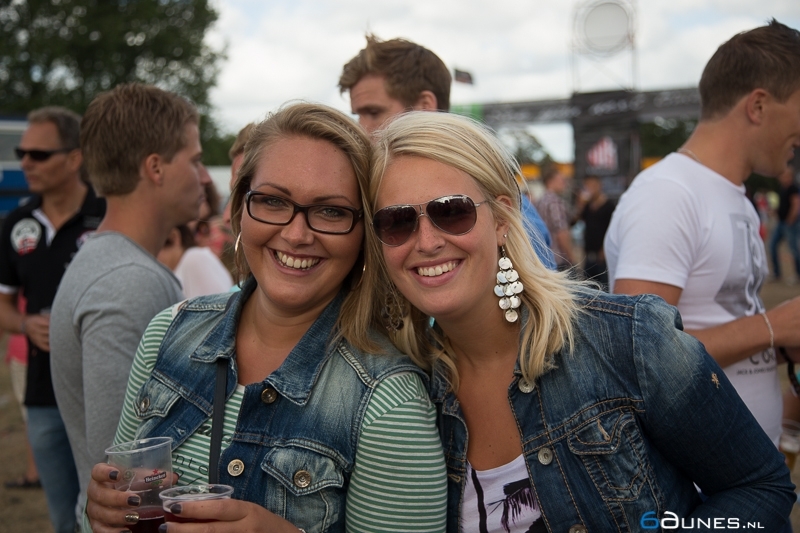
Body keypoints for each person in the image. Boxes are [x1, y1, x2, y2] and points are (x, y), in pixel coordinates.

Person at [365, 111, 794, 532]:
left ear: (501, 219)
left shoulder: (627, 339)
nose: (426, 242)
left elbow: (760, 487)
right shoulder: (402, 392)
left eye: (451, 211)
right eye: (397, 221)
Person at [84, 103, 447, 533]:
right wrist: (103, 515)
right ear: (241, 208)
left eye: (331, 211)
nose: (296, 234)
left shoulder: (389, 401)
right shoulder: (169, 332)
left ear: (363, 233)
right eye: (273, 201)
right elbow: (121, 503)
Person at [604, 20, 800, 448]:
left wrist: (782, 345)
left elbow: (717, 330)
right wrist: (774, 326)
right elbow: (638, 355)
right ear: (758, 106)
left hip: (749, 468)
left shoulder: (735, 196)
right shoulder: (667, 193)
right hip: (696, 483)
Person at [50, 83, 210, 520]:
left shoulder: (109, 263)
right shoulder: (129, 282)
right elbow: (124, 463)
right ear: (155, 167)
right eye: (195, 160)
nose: (204, 177)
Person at [339, 34, 555, 269]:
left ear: (425, 106)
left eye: (453, 212)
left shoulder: (508, 210)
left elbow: (531, 290)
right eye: (396, 221)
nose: (361, 129)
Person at [0, 106, 105, 533]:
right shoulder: (17, 223)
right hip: (44, 395)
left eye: (38, 154)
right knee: (65, 519)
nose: (26, 162)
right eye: (22, 153)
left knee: (113, 514)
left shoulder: (108, 213)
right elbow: (3, 304)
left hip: (106, 390)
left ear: (75, 157)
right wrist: (25, 324)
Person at [573, 174, 615, 287]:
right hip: (588, 254)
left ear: (599, 186)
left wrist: (604, 250)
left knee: (604, 287)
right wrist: (580, 205)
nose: (590, 189)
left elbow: (612, 230)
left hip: (602, 256)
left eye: (593, 185)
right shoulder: (587, 206)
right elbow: (574, 222)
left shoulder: (609, 206)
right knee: (589, 287)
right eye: (587, 186)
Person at [535, 167, 575, 269]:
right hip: (558, 259)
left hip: (545, 257)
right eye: (561, 179)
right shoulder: (555, 202)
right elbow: (561, 232)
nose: (564, 183)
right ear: (550, 181)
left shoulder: (540, 201)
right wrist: (571, 257)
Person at [770, 164, 800, 282]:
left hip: (789, 224)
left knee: (793, 249)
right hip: (781, 223)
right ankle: (777, 273)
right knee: (772, 246)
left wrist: (790, 220)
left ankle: (798, 274)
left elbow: (796, 205)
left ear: (789, 176)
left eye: (783, 175)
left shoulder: (793, 189)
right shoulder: (783, 189)